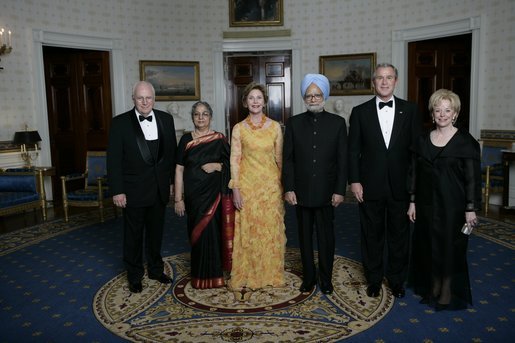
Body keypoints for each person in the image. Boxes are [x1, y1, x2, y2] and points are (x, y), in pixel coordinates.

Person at [348, 63, 422, 299]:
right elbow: (353, 151)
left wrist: (414, 190)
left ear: (396, 81)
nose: (384, 81)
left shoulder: (410, 110)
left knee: (400, 236)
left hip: (401, 185)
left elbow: (416, 153)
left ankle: (397, 280)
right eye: (380, 78)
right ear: (373, 82)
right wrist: (355, 181)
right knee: (372, 235)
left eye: (389, 77)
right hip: (370, 184)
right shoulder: (360, 112)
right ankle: (374, 280)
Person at [407, 89, 481, 311]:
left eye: (447, 110)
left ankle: (447, 291)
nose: (442, 114)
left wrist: (471, 208)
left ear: (455, 113)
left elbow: (472, 179)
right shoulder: (422, 140)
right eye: (438, 110)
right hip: (427, 205)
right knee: (429, 246)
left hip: (454, 207)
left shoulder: (465, 142)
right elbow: (413, 174)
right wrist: (412, 202)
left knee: (450, 249)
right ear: (432, 113)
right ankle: (434, 287)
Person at [107, 81, 176, 293]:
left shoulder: (166, 119)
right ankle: (134, 275)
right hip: (133, 190)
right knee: (133, 235)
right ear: (133, 99)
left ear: (154, 99)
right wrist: (117, 190)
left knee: (156, 233)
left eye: (149, 98)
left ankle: (156, 270)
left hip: (159, 189)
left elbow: (171, 155)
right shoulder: (119, 123)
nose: (145, 102)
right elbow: (114, 160)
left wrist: (172, 183)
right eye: (140, 98)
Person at [282, 74, 348, 295]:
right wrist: (288, 187)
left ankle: (326, 279)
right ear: (304, 97)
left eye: (317, 94)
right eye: (309, 95)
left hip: (328, 193)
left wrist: (340, 190)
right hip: (300, 192)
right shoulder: (293, 123)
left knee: (326, 238)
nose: (313, 99)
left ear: (324, 96)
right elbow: (288, 159)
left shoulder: (338, 124)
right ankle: (309, 278)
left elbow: (342, 160)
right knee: (304, 237)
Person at [228, 82, 286, 293]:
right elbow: (234, 160)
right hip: (247, 188)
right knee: (249, 233)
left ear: (264, 102)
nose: (255, 101)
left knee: (270, 231)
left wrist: (284, 186)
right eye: (251, 98)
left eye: (259, 98)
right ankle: (249, 274)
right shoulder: (238, 129)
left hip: (270, 188)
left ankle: (270, 273)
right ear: (245, 102)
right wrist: (235, 189)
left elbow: (279, 159)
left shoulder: (275, 127)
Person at [174, 101, 232, 289]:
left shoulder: (219, 139)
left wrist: (217, 166)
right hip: (193, 197)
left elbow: (233, 165)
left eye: (205, 114)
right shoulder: (185, 140)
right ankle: (198, 276)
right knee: (196, 234)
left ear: (211, 117)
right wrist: (178, 198)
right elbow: (179, 170)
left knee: (214, 234)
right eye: (197, 114)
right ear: (192, 117)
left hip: (213, 196)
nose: (201, 117)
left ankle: (215, 275)